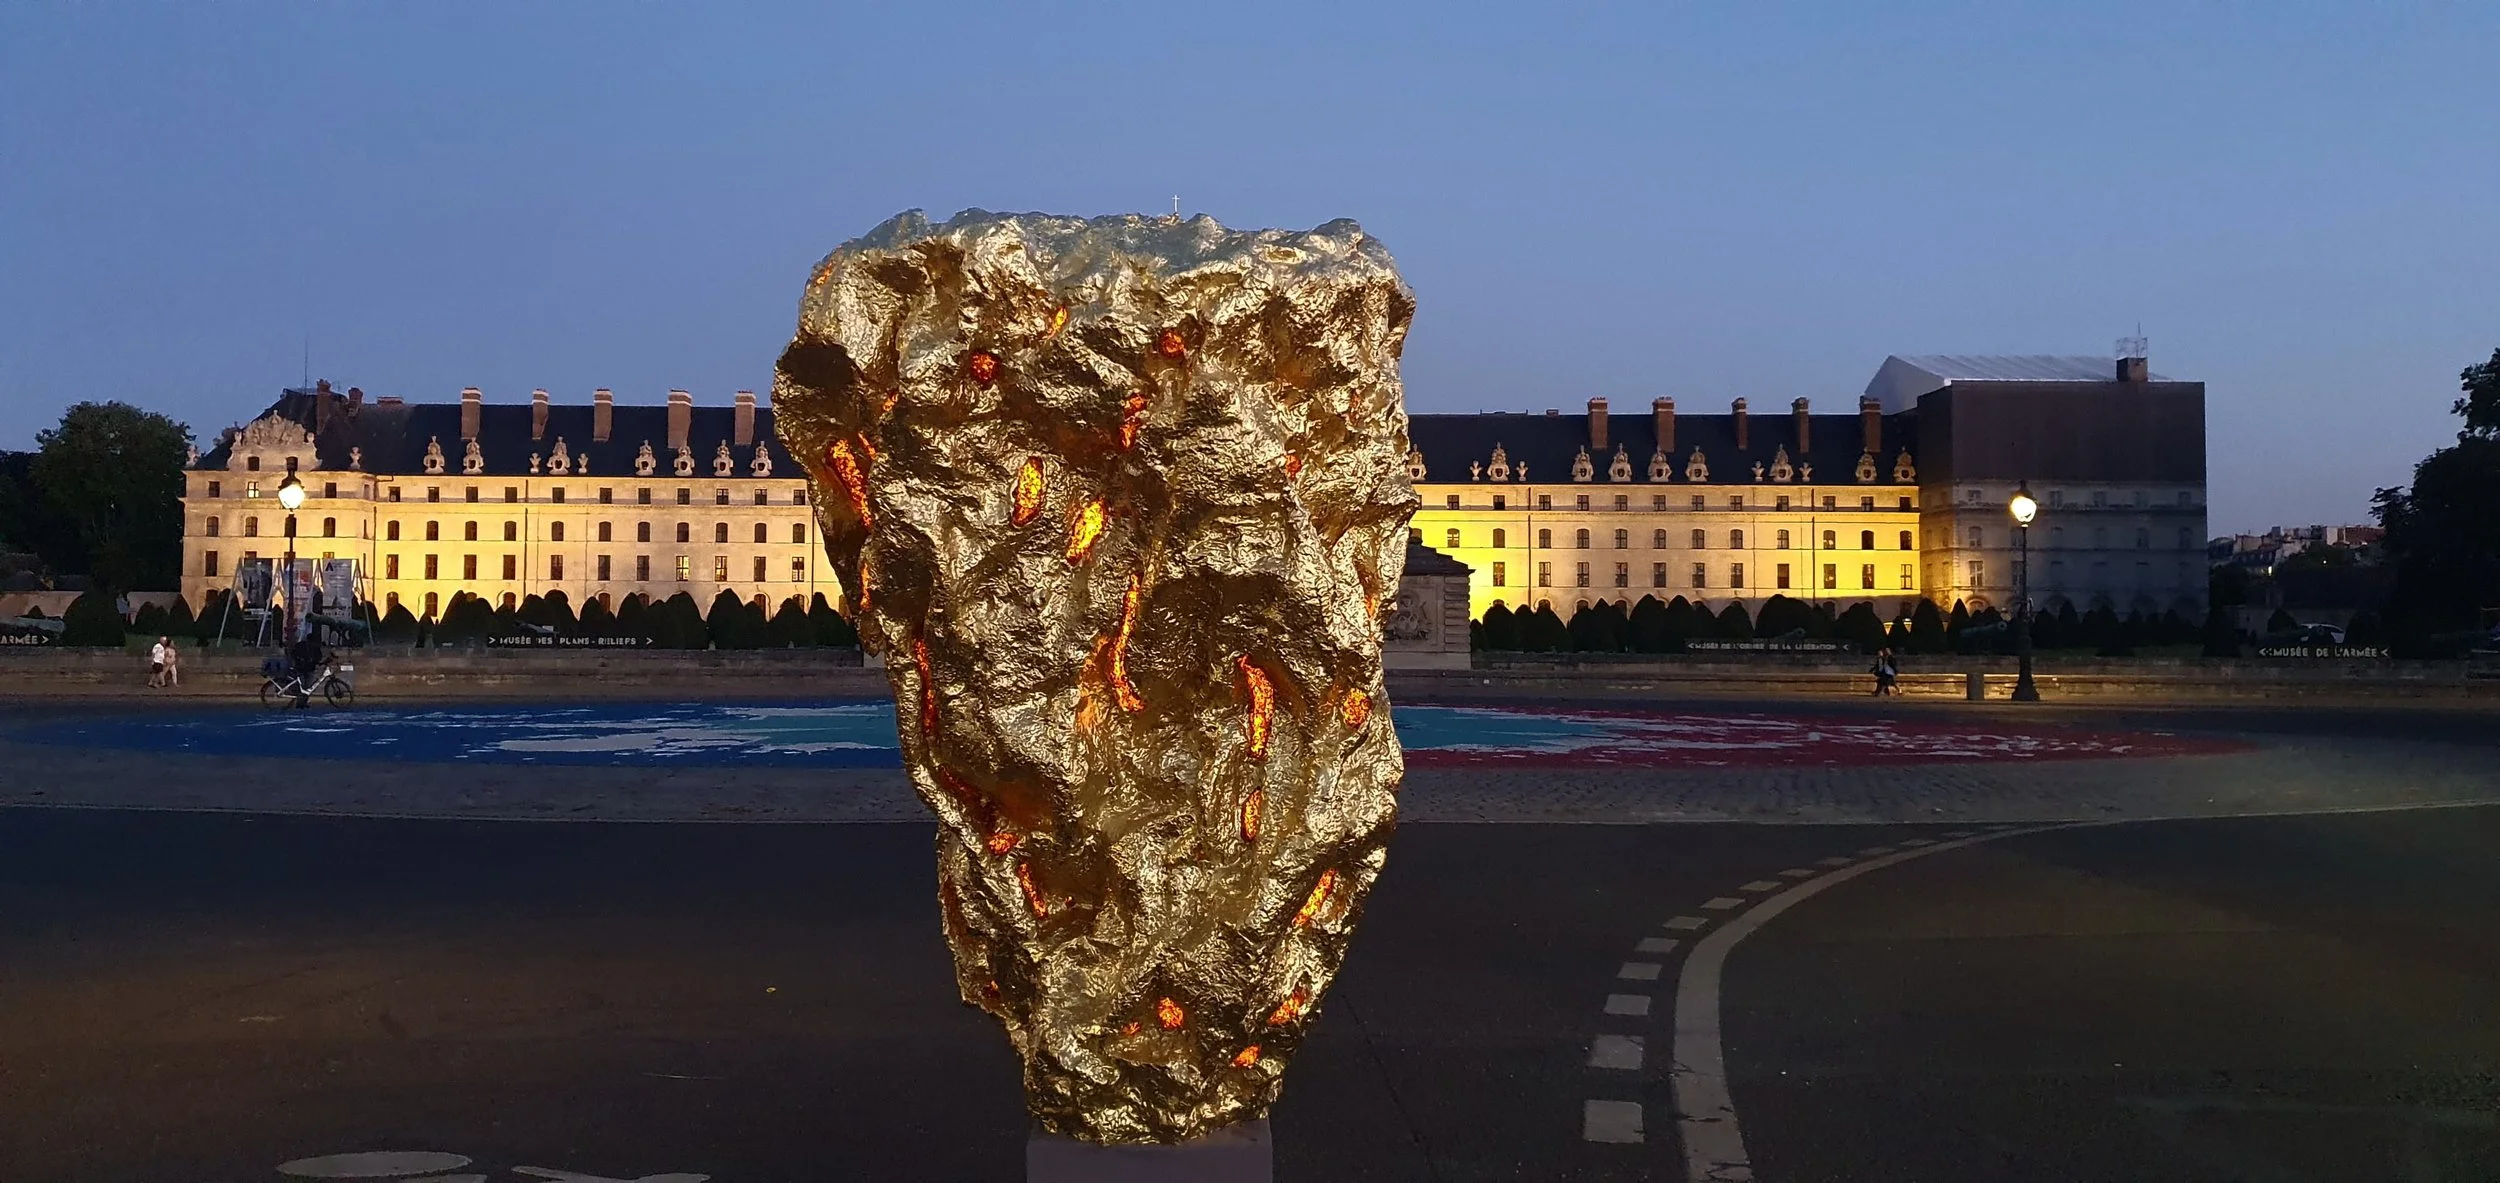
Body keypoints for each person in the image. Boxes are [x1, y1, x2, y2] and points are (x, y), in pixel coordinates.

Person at [287, 629, 327, 708]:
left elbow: (293, 654)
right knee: (307, 687)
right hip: (308, 668)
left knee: (305, 687)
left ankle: (302, 702)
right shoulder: (314, 647)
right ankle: (302, 702)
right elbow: (319, 657)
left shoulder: (301, 645)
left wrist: (299, 660)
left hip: (303, 667)